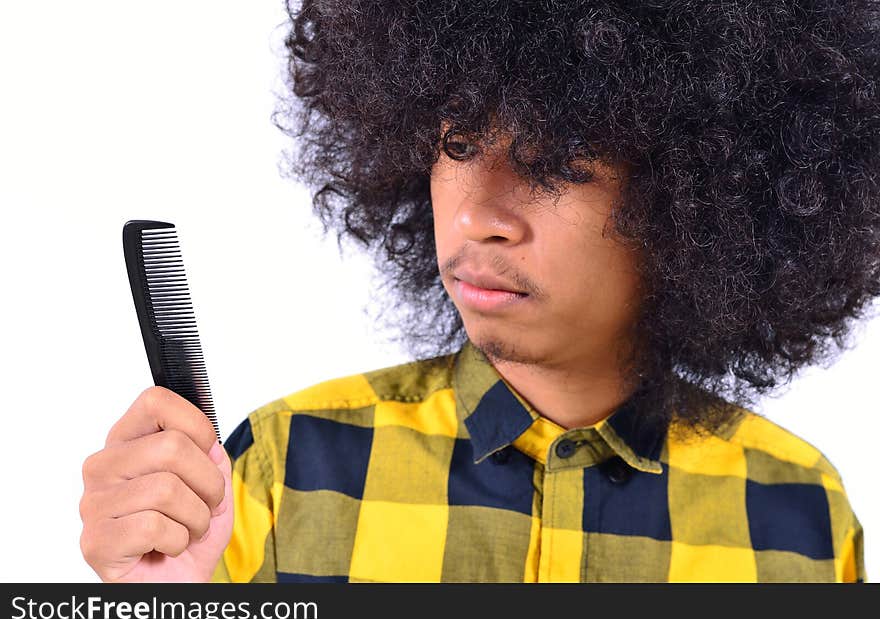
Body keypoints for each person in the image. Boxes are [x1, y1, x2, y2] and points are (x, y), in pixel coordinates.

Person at [79, 0, 879, 582]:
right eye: (458, 143)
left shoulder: (801, 516)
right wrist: (154, 607)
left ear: (701, 198)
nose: (476, 212)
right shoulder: (281, 472)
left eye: (559, 160)